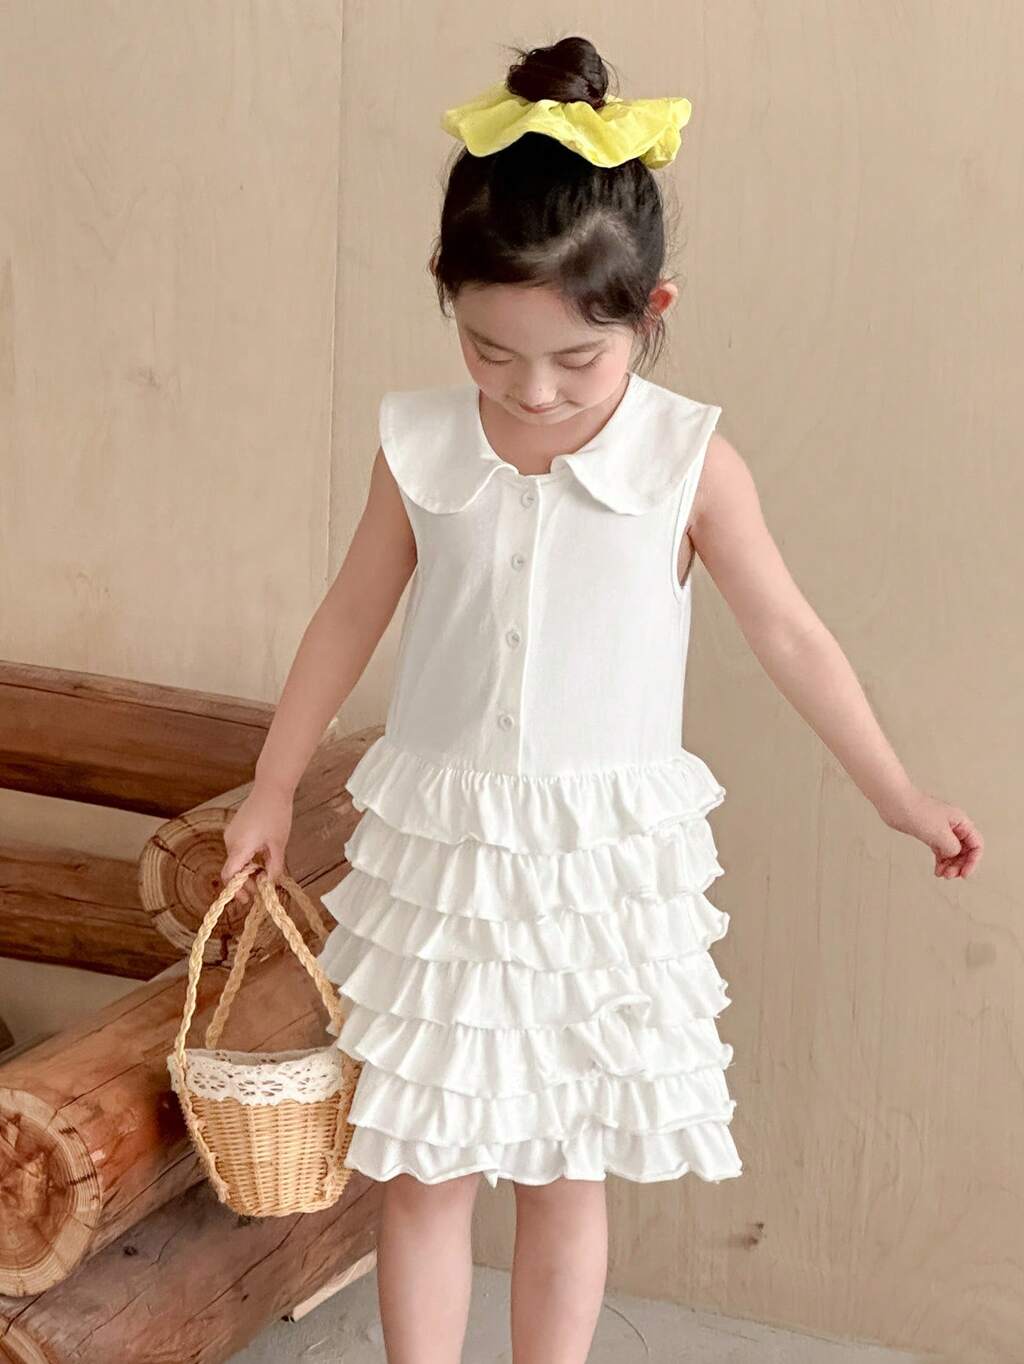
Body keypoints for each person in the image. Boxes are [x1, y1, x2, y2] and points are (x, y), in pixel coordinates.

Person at [219, 34, 983, 1364]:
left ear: (650, 310)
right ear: (447, 298)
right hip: (446, 860)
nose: (532, 391)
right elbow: (349, 615)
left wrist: (899, 794)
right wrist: (272, 788)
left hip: (598, 871)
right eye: (490, 350)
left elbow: (792, 636)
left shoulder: (690, 461)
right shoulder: (420, 446)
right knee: (426, 1163)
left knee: (565, 1170)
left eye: (577, 359)